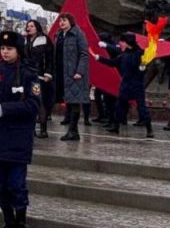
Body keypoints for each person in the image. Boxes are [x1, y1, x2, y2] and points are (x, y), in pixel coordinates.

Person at [0, 30, 40, 228]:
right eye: (3, 48)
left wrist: (5, 108)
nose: (5, 52)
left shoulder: (28, 74)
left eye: (10, 49)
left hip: (18, 138)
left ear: (18, 50)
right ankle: (8, 223)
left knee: (16, 184)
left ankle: (21, 226)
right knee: (0, 183)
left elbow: (33, 105)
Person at [97, 32, 154, 138]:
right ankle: (116, 126)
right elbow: (112, 62)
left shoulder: (139, 54)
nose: (120, 43)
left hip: (137, 85)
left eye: (123, 41)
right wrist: (99, 58)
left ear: (128, 42)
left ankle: (149, 129)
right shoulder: (123, 55)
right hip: (126, 85)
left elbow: (145, 66)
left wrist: (143, 69)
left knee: (142, 108)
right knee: (119, 106)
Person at [53, 13, 90, 142]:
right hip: (62, 73)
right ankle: (73, 131)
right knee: (68, 100)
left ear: (71, 21)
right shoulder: (59, 35)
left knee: (74, 102)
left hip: (74, 74)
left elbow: (84, 54)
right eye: (60, 21)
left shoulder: (78, 34)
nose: (61, 23)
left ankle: (73, 131)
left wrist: (79, 71)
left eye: (64, 20)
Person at [23, 20, 53, 138]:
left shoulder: (44, 39)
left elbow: (50, 58)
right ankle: (31, 128)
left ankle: (43, 130)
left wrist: (48, 73)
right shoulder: (27, 40)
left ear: (37, 27)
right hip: (28, 75)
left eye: (32, 26)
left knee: (39, 101)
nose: (29, 28)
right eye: (28, 26)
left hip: (39, 76)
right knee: (28, 101)